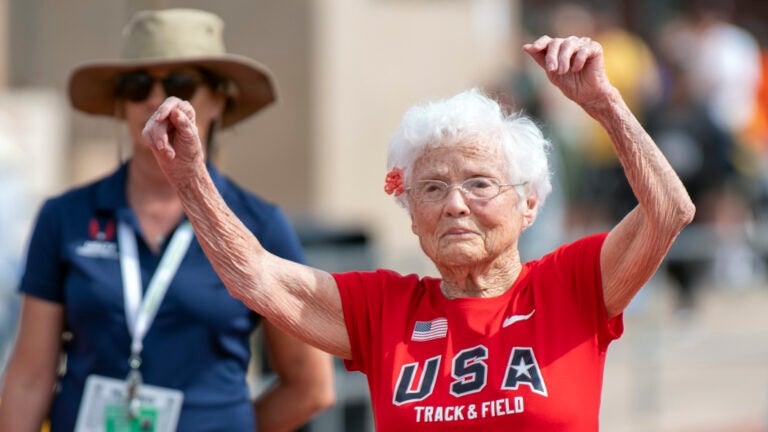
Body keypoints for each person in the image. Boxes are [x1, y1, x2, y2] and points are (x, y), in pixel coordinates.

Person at [142, 35, 694, 430]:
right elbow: (256, 277)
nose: (454, 205)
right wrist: (189, 178)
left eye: (479, 184)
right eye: (430, 189)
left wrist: (604, 104)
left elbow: (668, 209)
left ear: (528, 204)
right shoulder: (385, 310)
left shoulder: (569, 285)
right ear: (411, 215)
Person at [0, 8, 334, 432]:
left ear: (219, 100)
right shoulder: (64, 217)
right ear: (121, 103)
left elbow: (311, 386)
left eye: (180, 84)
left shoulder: (260, 226)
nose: (157, 100)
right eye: (139, 85)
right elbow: (29, 378)